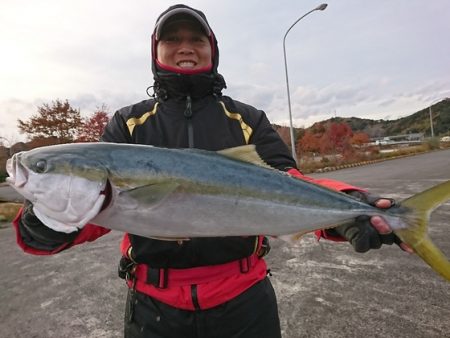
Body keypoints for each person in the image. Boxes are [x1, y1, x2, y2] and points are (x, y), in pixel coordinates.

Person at [12, 4, 412, 338]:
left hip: (244, 300)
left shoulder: (246, 118)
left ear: (212, 49)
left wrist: (346, 207)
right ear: (156, 51)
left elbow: (287, 185)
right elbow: (102, 206)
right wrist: (46, 224)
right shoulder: (128, 125)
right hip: (154, 307)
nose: (185, 47)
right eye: (173, 40)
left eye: (196, 39)